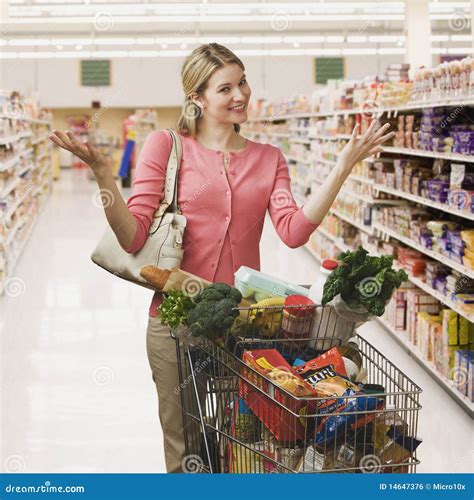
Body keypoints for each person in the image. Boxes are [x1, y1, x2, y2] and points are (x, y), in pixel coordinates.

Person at [48, 43, 394, 473]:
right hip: (174, 323)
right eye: (225, 87)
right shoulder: (166, 146)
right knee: (186, 446)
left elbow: (293, 231)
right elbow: (133, 237)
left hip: (246, 326)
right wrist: (104, 175)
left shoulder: (269, 159)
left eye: (243, 81)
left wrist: (342, 165)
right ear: (197, 98)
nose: (240, 95)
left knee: (248, 443)